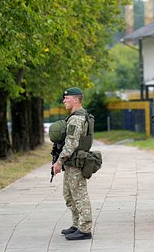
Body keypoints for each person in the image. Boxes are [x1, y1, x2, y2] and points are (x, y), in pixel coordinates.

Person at [52, 87, 93, 240]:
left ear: (76, 99)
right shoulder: (76, 116)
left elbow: (71, 143)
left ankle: (85, 229)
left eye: (66, 98)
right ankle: (77, 224)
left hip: (75, 161)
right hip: (72, 161)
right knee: (69, 194)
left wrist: (58, 162)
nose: (64, 101)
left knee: (79, 195)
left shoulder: (77, 118)